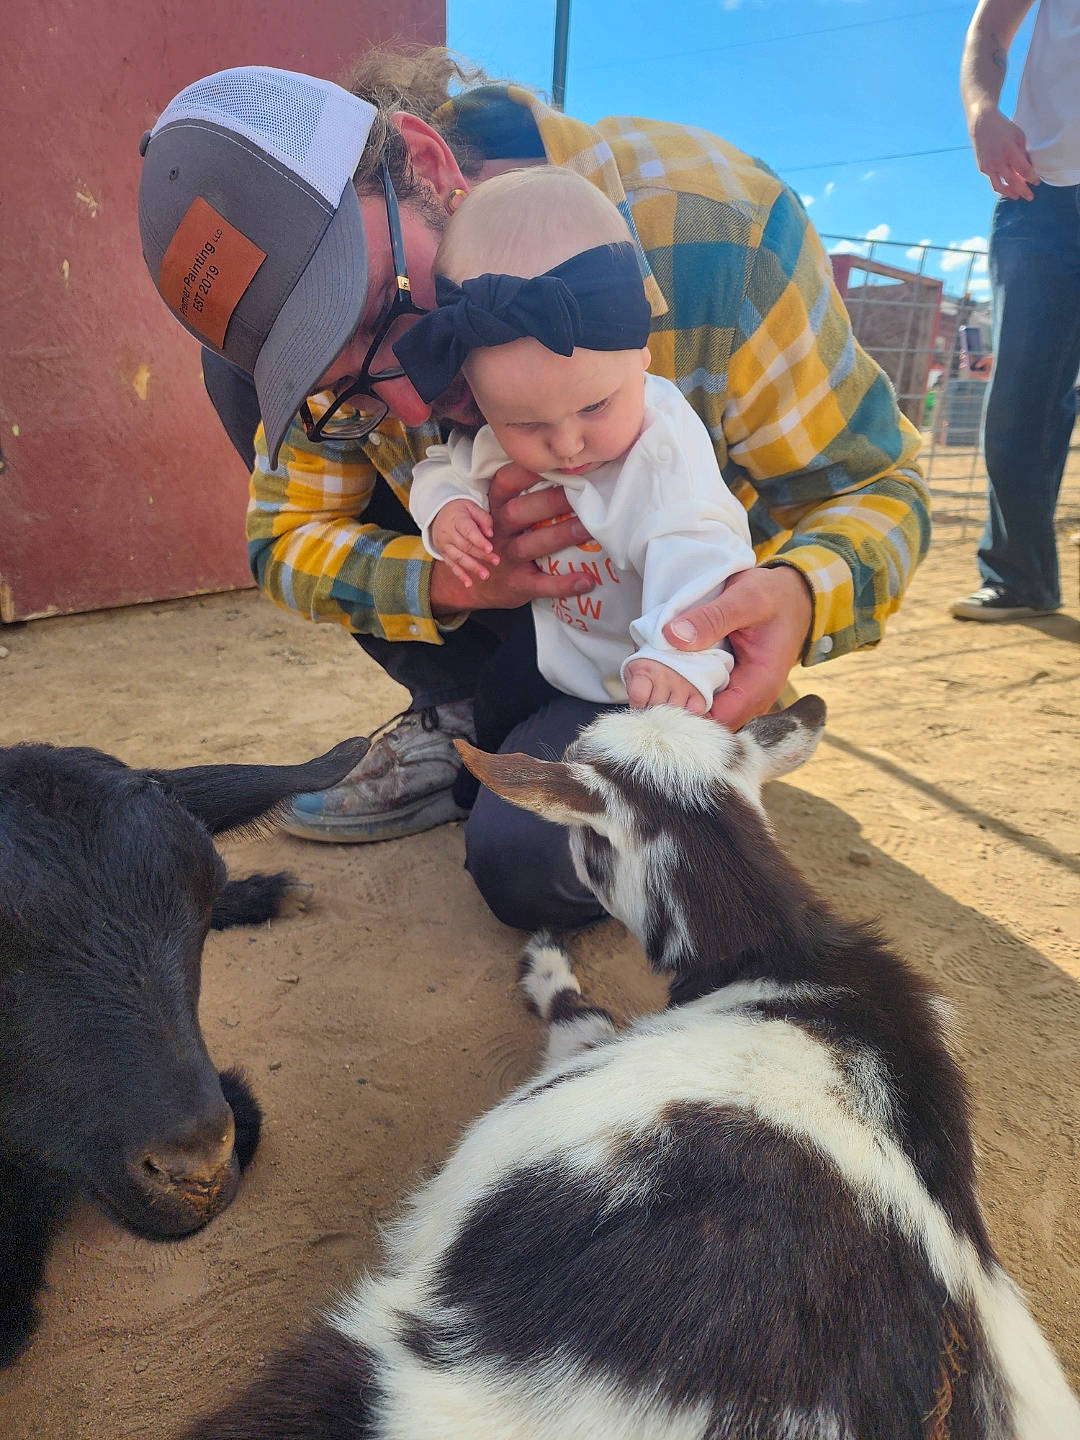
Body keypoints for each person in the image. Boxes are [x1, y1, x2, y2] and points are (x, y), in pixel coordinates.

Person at [137, 51, 929, 930]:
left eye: (381, 313)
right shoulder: (355, 366)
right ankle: (462, 710)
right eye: (349, 382)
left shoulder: (716, 229)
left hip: (671, 643)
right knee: (242, 382)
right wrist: (454, 574)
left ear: (430, 168)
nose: (409, 400)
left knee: (535, 866)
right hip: (532, 634)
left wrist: (800, 594)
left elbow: (874, 488)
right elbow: (282, 542)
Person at [404, 167, 757, 720]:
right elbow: (446, 466)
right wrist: (446, 506)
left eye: (594, 407)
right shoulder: (506, 428)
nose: (567, 444)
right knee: (492, 708)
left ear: (641, 355)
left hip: (653, 662)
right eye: (524, 425)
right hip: (559, 645)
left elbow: (699, 547)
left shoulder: (662, 443)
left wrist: (680, 657)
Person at [952, 0, 1079, 621]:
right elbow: (992, 25)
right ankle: (1020, 577)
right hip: (1044, 193)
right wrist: (982, 110)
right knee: (1022, 397)